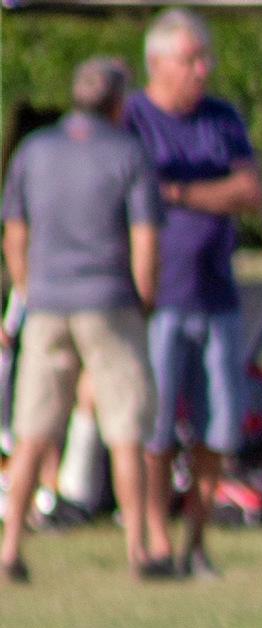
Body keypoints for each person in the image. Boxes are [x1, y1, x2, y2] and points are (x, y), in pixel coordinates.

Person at [0, 57, 163, 583]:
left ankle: (9, 549)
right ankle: (138, 549)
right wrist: (144, 297)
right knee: (125, 430)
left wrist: (27, 288)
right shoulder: (128, 151)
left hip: (48, 304)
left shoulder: (34, 150)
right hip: (109, 301)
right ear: (119, 103)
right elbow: (145, 237)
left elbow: (15, 232)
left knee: (32, 431)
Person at [125, 7, 260, 579]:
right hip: (157, 299)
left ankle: (197, 540)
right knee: (154, 429)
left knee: (219, 428)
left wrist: (177, 190)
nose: (201, 70)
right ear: (157, 62)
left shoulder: (221, 118)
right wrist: (211, 191)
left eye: (206, 59)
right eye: (190, 59)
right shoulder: (133, 118)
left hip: (217, 295)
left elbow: (249, 190)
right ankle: (156, 535)